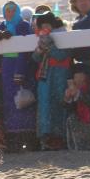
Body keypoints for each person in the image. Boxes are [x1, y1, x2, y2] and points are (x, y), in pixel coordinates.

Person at [0, 1, 37, 150]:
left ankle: (29, 138)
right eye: (7, 10)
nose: (10, 13)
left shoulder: (23, 25)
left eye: (13, 10)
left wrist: (20, 70)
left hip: (21, 65)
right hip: (7, 67)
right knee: (10, 101)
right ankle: (13, 138)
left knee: (24, 100)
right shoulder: (3, 26)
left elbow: (25, 50)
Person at [32, 12, 69, 150]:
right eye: (43, 25)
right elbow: (35, 58)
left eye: (48, 25)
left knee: (59, 102)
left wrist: (50, 46)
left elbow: (62, 55)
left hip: (59, 73)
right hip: (45, 75)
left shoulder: (62, 36)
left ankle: (60, 137)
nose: (45, 28)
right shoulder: (41, 39)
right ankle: (46, 137)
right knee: (45, 105)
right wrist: (41, 48)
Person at [64, 63, 90, 150]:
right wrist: (68, 99)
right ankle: (74, 146)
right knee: (71, 119)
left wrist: (79, 94)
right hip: (79, 120)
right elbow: (69, 109)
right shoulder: (75, 88)